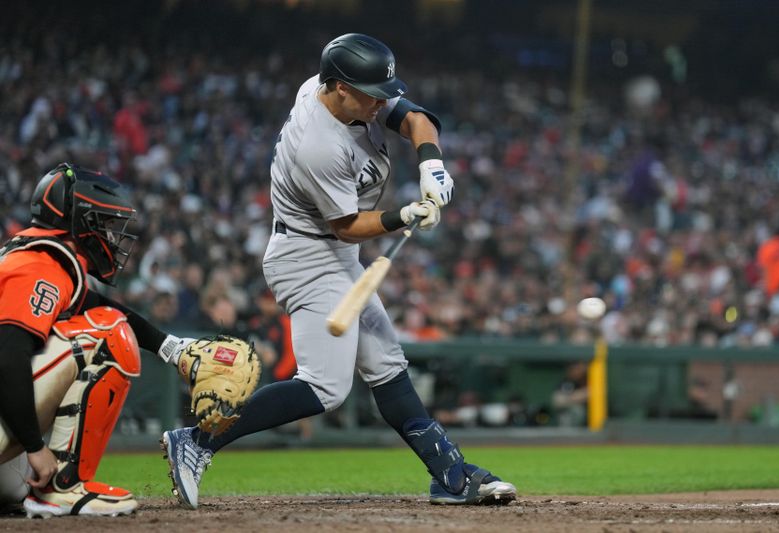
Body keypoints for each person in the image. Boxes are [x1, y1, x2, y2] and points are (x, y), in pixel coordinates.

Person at [162, 33, 516, 508]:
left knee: (387, 366)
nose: (382, 102)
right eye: (371, 93)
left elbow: (415, 117)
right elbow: (347, 226)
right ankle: (198, 441)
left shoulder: (348, 96)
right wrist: (402, 216)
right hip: (307, 256)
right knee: (325, 386)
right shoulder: (319, 144)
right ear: (339, 88)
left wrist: (431, 163)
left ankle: (450, 474)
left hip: (334, 254)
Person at [0, 163, 195, 517]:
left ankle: (45, 486)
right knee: (108, 333)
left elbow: (103, 304)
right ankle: (64, 489)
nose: (110, 235)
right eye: (103, 223)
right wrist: (33, 445)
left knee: (16, 484)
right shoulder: (39, 265)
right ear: (80, 222)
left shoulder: (35, 257)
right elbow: (9, 355)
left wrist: (173, 349)